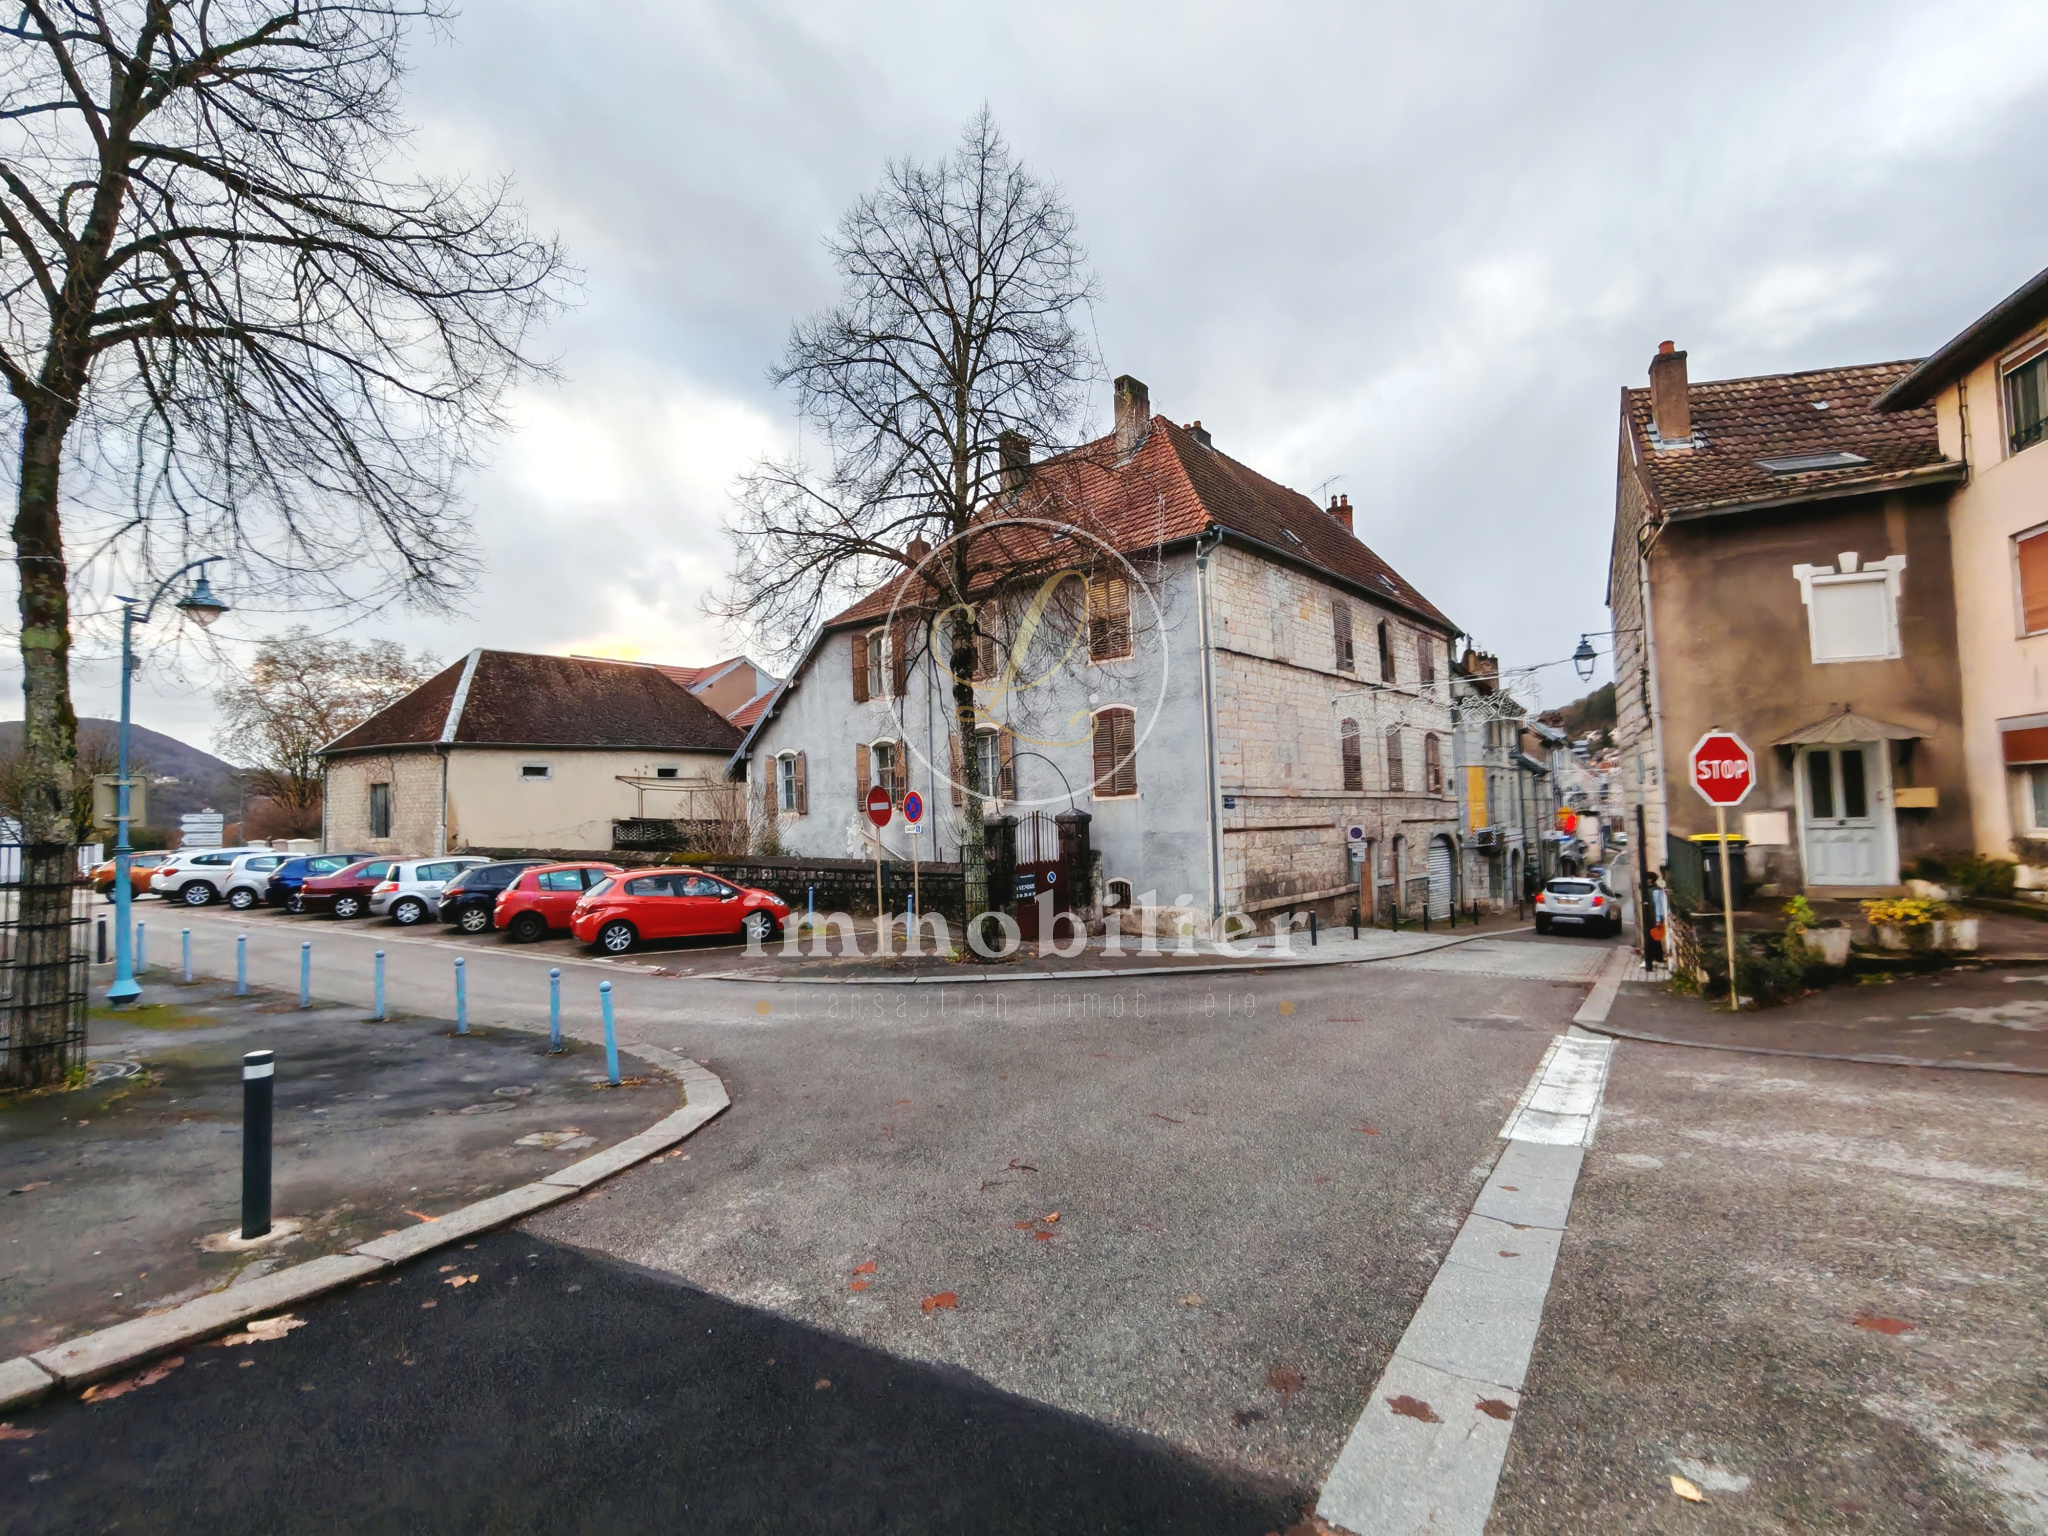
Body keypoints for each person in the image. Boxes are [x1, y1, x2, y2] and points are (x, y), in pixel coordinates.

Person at [1644, 870, 1668, 966]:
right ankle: (1657, 958)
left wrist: (1658, 920)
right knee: (1654, 939)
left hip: (1654, 919)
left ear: (1649, 880)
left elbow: (1658, 906)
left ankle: (1650, 959)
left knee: (1652, 939)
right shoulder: (1650, 889)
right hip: (1651, 918)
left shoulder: (1655, 891)